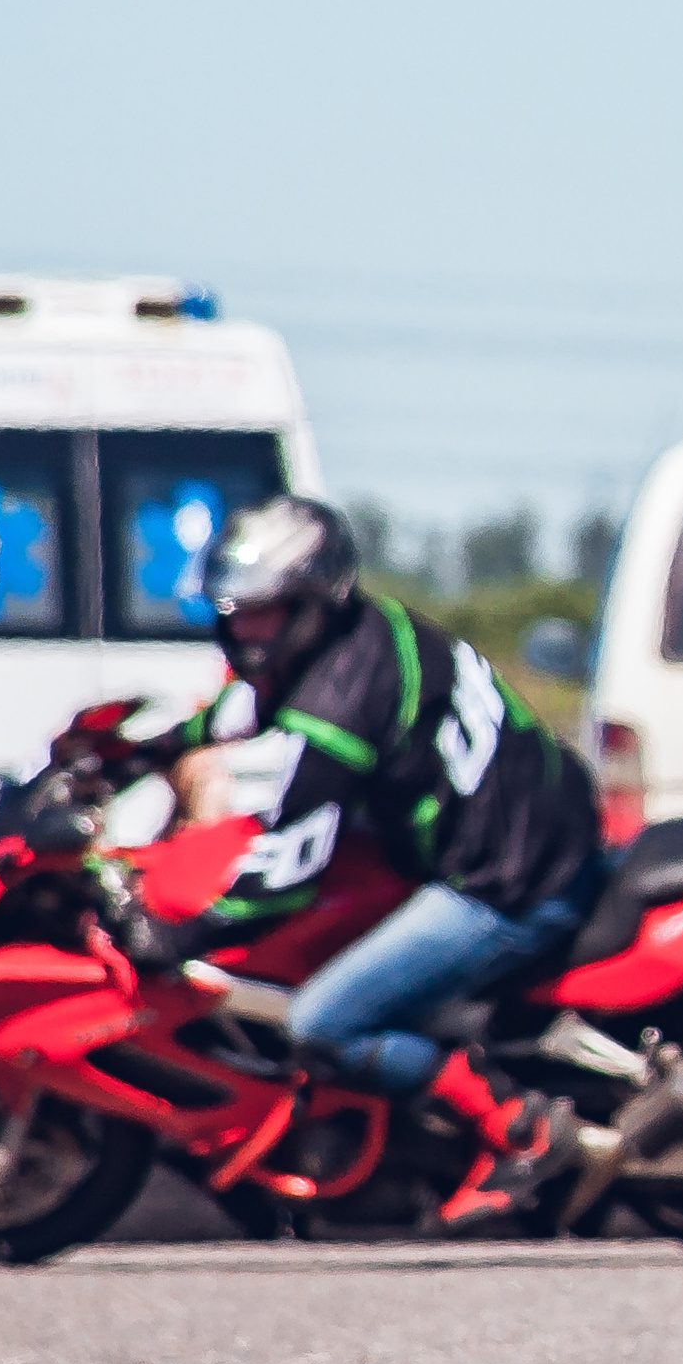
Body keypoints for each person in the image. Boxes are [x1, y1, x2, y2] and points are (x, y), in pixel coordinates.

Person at [92, 495, 605, 1228]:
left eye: (263, 612)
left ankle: (515, 1125)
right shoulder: (363, 633)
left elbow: (288, 868)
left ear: (311, 600)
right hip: (536, 832)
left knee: (325, 1024)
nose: (244, 630)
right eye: (235, 611)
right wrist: (147, 750)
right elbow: (247, 711)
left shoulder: (341, 701)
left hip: (511, 883)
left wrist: (181, 938)